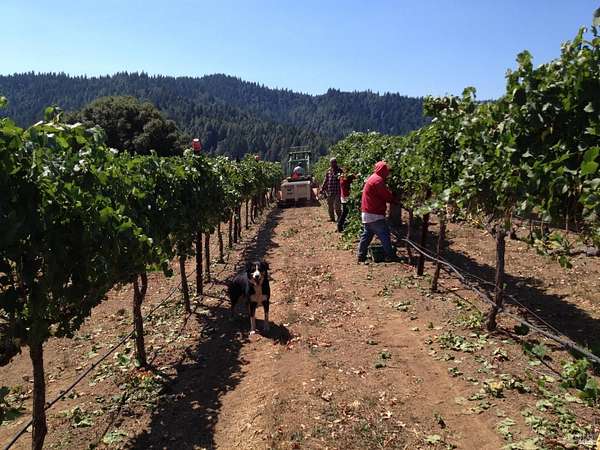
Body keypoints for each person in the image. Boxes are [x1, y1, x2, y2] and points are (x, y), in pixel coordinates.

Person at [357, 161, 398, 263]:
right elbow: (386, 196)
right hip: (374, 214)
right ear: (383, 170)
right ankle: (390, 256)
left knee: (367, 235)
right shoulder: (378, 181)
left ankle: (361, 255)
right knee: (384, 234)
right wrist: (395, 200)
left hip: (367, 213)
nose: (388, 174)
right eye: (387, 171)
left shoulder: (372, 178)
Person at [321, 157, 342, 222]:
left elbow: (342, 180)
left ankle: (340, 218)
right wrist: (322, 188)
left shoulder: (340, 170)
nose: (333, 164)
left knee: (337, 206)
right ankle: (332, 218)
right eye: (332, 163)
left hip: (337, 191)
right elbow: (326, 180)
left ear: (336, 163)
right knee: (330, 205)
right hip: (330, 191)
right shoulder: (329, 171)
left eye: (334, 162)